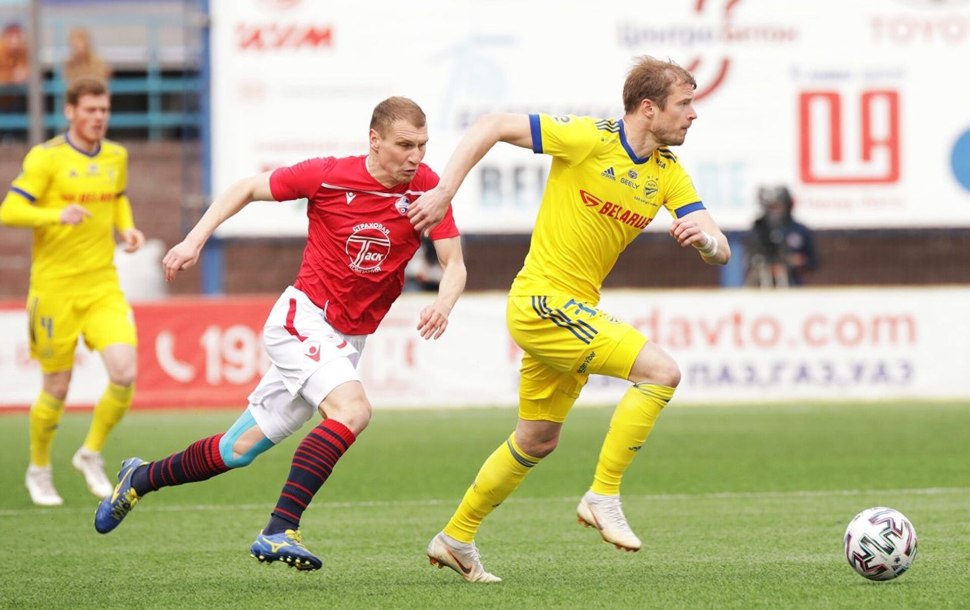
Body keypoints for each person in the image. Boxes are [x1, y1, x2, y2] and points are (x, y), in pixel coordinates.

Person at [93, 96, 467, 573]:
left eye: (422, 145)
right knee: (352, 411)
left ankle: (139, 479)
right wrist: (193, 239)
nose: (416, 156)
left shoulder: (427, 188)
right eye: (405, 145)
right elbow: (247, 188)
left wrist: (443, 303)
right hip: (303, 319)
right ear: (374, 140)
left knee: (235, 450)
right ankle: (279, 529)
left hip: (348, 340)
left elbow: (455, 264)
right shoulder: (329, 175)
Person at [408, 55, 731, 583]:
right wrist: (445, 191)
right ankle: (604, 495)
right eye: (685, 103)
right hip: (542, 302)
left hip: (573, 311)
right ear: (649, 108)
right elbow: (491, 125)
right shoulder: (589, 139)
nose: (693, 114)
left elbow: (719, 247)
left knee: (536, 440)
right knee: (662, 372)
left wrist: (707, 242)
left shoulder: (668, 172)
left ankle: (456, 538)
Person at [0, 76, 145, 506]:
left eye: (104, 110)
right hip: (54, 291)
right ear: (70, 111)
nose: (99, 117)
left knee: (124, 372)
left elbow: (117, 197)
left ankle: (90, 453)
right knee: (57, 387)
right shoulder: (46, 158)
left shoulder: (116, 155)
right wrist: (55, 215)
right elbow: (10, 209)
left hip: (102, 285)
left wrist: (127, 228)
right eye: (90, 110)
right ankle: (39, 469)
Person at [745, 185, 817, 287]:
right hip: (762, 281)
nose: (775, 212)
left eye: (778, 206)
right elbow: (751, 256)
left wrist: (795, 261)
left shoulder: (800, 230)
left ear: (787, 206)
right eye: (771, 207)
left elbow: (814, 260)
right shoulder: (759, 228)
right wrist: (767, 265)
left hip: (793, 282)